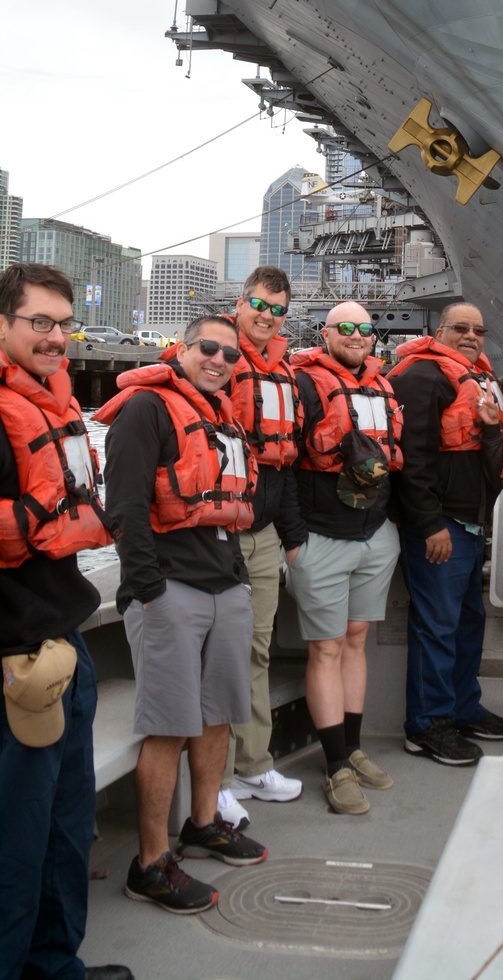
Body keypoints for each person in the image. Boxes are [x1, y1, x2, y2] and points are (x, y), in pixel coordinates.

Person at [99, 316, 266, 914]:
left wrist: (240, 582)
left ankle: (202, 823)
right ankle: (150, 862)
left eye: (229, 353)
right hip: (169, 591)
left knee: (218, 714)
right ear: (182, 349)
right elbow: (124, 506)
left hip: (225, 585)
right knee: (169, 724)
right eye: (207, 348)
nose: (219, 359)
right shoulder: (146, 409)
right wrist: (149, 590)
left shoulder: (222, 418)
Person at [0, 263, 132, 980]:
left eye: (63, 323)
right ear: (3, 323)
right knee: (14, 849)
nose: (55, 338)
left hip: (67, 644)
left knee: (62, 831)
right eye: (38, 323)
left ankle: (57, 966)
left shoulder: (54, 403)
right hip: (18, 660)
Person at [389, 304, 503, 766]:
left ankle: (463, 707)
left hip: (470, 522)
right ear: (438, 331)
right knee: (437, 627)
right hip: (442, 526)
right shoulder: (423, 377)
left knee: (468, 622)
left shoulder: (475, 377)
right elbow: (413, 459)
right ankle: (427, 725)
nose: (470, 336)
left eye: (478, 330)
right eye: (460, 328)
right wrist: (429, 524)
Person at [287, 302, 402, 813]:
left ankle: (352, 749)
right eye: (346, 328)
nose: (358, 336)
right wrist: (295, 541)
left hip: (374, 533)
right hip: (322, 536)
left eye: (365, 329)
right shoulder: (305, 385)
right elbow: (284, 462)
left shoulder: (382, 385)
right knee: (327, 649)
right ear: (326, 334)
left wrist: (390, 526)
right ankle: (334, 766)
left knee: (357, 640)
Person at [218, 267, 305, 828]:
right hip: (220, 534)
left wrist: (291, 533)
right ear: (239, 302)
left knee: (256, 652)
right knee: (219, 659)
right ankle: (217, 778)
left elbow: (285, 462)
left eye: (276, 309)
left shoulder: (284, 373)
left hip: (266, 531)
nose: (266, 315)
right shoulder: (216, 359)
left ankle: (252, 765)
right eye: (258, 304)